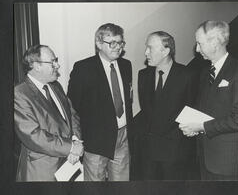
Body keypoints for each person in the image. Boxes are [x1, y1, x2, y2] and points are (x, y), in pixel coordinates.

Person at [67, 23, 133, 181]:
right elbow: (72, 107)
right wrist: (77, 140)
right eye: (112, 43)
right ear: (99, 44)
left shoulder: (126, 65)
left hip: (122, 136)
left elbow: (127, 100)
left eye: (120, 43)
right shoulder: (83, 68)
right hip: (95, 141)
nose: (118, 47)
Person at [179, 20, 238, 180]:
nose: (197, 49)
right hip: (205, 159)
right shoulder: (205, 72)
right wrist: (195, 127)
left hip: (227, 164)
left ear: (214, 43)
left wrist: (202, 126)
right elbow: (205, 109)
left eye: (199, 43)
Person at [14, 45, 84, 181]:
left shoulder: (55, 85)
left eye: (56, 60)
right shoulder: (19, 93)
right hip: (42, 170)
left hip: (68, 163)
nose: (57, 65)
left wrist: (75, 141)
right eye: (52, 61)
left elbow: (72, 116)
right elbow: (33, 135)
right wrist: (70, 147)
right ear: (36, 66)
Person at [137, 31, 198, 180]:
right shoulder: (143, 75)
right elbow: (147, 113)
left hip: (175, 153)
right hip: (148, 153)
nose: (146, 52)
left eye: (150, 48)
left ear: (165, 51)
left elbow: (192, 111)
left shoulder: (188, 75)